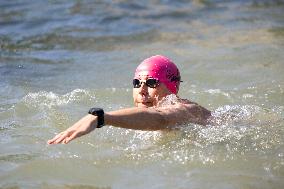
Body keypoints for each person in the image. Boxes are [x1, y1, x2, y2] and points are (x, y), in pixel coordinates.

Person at [47, 55, 211, 145]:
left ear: (171, 87)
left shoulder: (185, 109)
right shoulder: (135, 117)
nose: (142, 90)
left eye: (151, 83)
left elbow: (161, 118)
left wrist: (102, 118)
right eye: (137, 83)